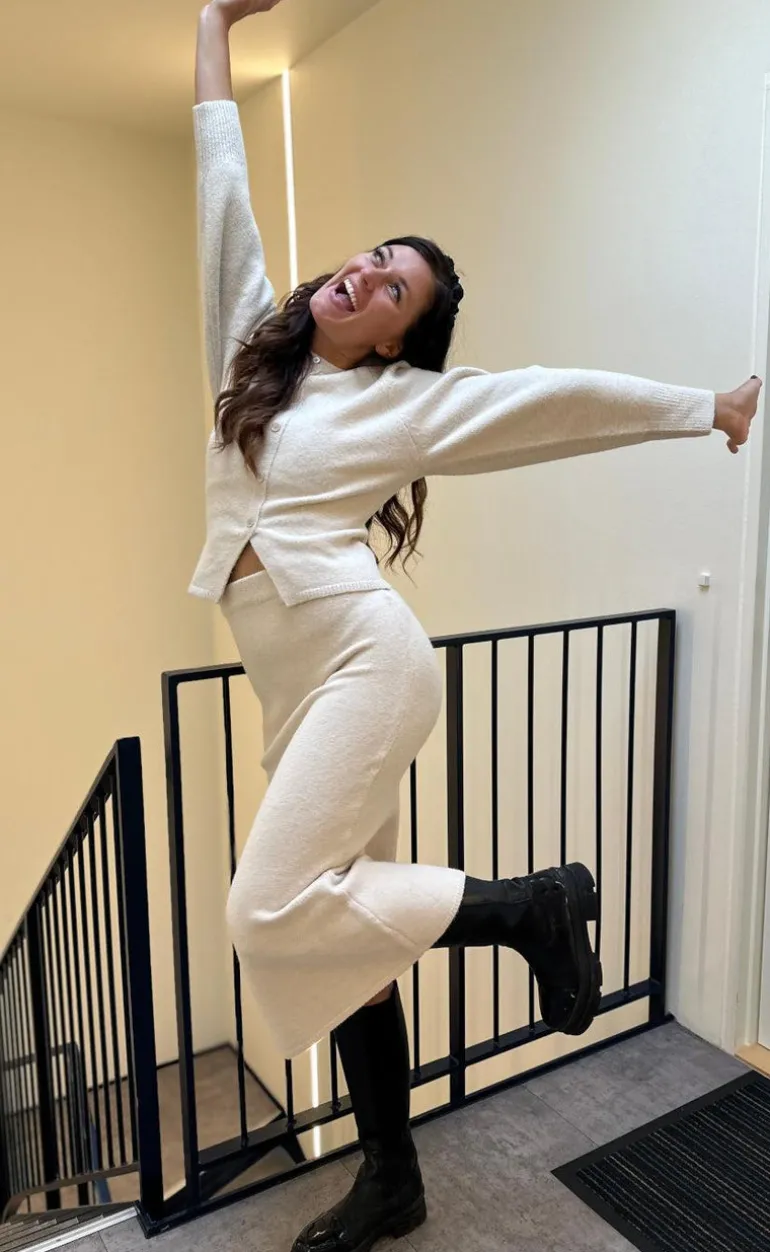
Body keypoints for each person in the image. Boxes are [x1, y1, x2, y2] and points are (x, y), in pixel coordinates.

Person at [192, 2, 760, 1248]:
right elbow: (223, 187)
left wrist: (702, 406)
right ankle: (392, 1181)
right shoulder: (252, 349)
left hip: (366, 665)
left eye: (390, 286)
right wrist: (214, 20)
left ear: (399, 335)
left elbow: (548, 402)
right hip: (296, 686)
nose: (360, 275)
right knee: (344, 945)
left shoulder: (398, 406)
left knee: (262, 910)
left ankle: (527, 907)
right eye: (368, 257)